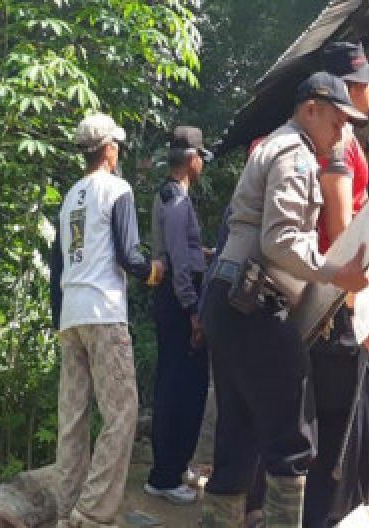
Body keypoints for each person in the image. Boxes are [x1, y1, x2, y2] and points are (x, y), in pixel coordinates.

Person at [200, 72, 369, 528]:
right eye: (337, 122)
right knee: (292, 444)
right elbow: (281, 242)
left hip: (228, 299)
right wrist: (340, 275)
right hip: (255, 304)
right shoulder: (295, 152)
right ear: (311, 109)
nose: (341, 134)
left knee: (237, 442)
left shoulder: (273, 147)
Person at [49, 114, 164, 528]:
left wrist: (57, 317)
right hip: (103, 314)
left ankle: (66, 510)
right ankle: (94, 513)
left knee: (73, 417)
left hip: (72, 315)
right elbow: (128, 256)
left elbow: (56, 266)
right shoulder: (117, 189)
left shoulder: (69, 198)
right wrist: (155, 270)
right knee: (121, 413)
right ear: (109, 149)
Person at [303, 42, 369, 528]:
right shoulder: (338, 141)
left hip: (337, 297)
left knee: (346, 429)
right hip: (337, 304)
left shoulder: (340, 137)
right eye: (365, 79)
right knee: (343, 429)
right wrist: (360, 304)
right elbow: (340, 231)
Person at [142, 126, 213, 504]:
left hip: (177, 297)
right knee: (180, 387)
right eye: (200, 157)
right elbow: (177, 263)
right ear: (191, 160)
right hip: (178, 301)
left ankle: (174, 465)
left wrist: (203, 252)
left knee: (183, 382)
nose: (202, 164)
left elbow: (181, 249)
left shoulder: (173, 196)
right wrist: (193, 311)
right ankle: (165, 475)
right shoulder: (176, 200)